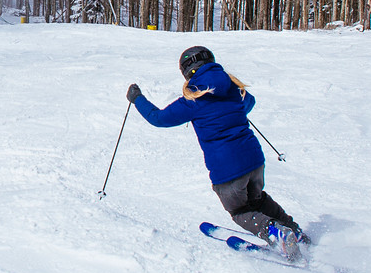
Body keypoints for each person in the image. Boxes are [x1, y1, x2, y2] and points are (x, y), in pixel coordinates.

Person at [127, 46, 308, 259]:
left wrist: (137, 98)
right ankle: (293, 231)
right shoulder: (232, 86)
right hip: (255, 160)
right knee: (257, 199)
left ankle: (276, 234)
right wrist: (229, 112)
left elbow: (158, 119)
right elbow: (249, 102)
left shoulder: (195, 98)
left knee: (240, 211)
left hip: (227, 170)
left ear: (186, 71)